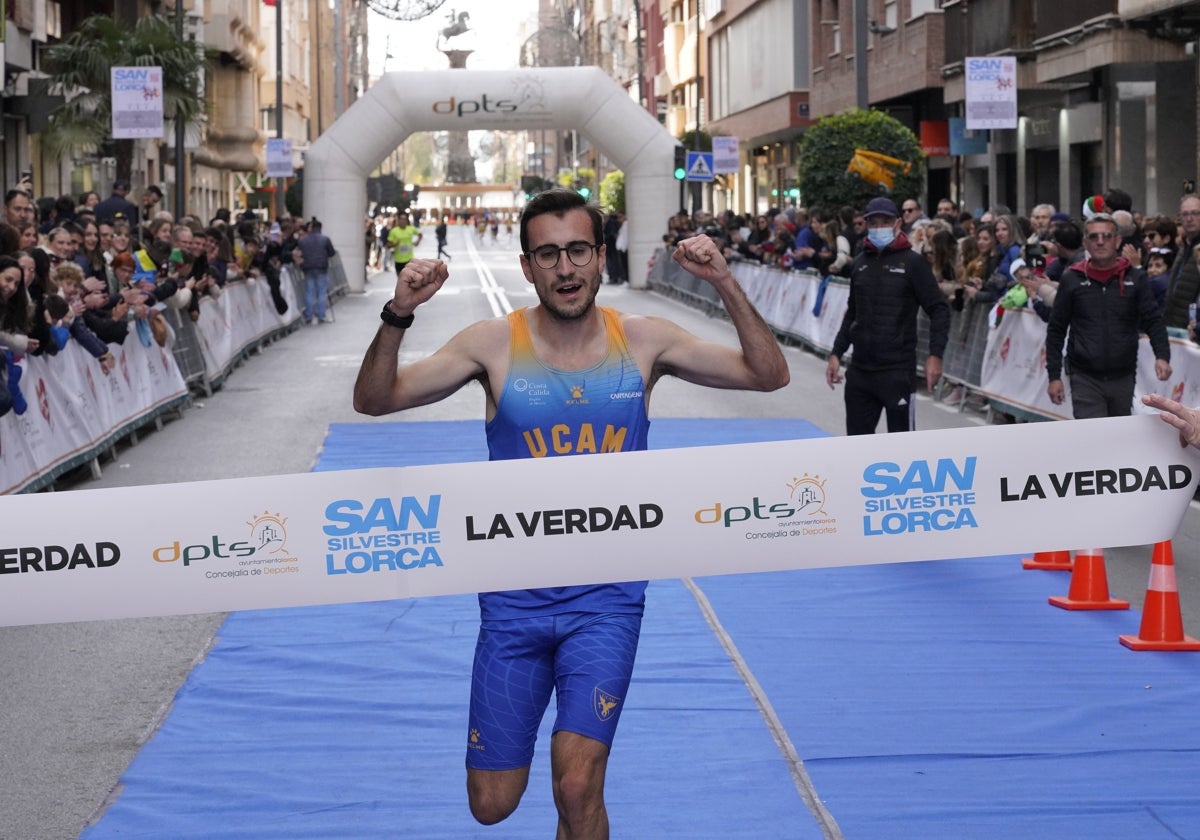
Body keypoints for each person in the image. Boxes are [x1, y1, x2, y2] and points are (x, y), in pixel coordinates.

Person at [352, 188, 789, 837]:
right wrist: (397, 312)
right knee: (491, 803)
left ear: (601, 257)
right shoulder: (492, 344)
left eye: (578, 250)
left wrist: (724, 279)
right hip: (513, 603)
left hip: (606, 598)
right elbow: (376, 398)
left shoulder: (642, 340)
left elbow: (767, 374)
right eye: (549, 254)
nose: (566, 268)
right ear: (527, 266)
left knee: (577, 781)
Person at [826, 196, 949, 434]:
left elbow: (939, 309)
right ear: (866, 225)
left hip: (897, 372)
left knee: (903, 452)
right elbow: (853, 312)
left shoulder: (913, 263)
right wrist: (836, 353)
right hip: (860, 372)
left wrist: (935, 355)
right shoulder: (859, 263)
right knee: (857, 449)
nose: (879, 227)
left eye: (885, 221)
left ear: (897, 223)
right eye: (874, 223)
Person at [1044, 213, 1171, 417]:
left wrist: (1162, 356)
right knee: (1093, 439)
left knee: (1118, 441)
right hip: (1084, 376)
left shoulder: (1135, 277)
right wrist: (1054, 376)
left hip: (1123, 375)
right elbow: (1056, 329)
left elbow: (1153, 320)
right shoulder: (1072, 279)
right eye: (1094, 237)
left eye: (1107, 236)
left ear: (1118, 241)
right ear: (1085, 242)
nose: (1100, 242)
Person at [298, 217, 336, 324]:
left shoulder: (303, 240)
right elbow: (332, 253)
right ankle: (321, 315)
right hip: (321, 267)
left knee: (310, 292)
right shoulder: (325, 239)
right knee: (321, 292)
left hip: (308, 267)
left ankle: (309, 316)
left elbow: (300, 252)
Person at [387, 211, 422, 276]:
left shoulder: (411, 229)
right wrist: (395, 244)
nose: (403, 221)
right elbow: (388, 245)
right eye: (401, 219)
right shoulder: (393, 231)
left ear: (407, 220)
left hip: (409, 259)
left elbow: (420, 235)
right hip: (398, 260)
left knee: (409, 279)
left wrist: (417, 242)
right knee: (401, 280)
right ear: (398, 220)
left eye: (405, 219)